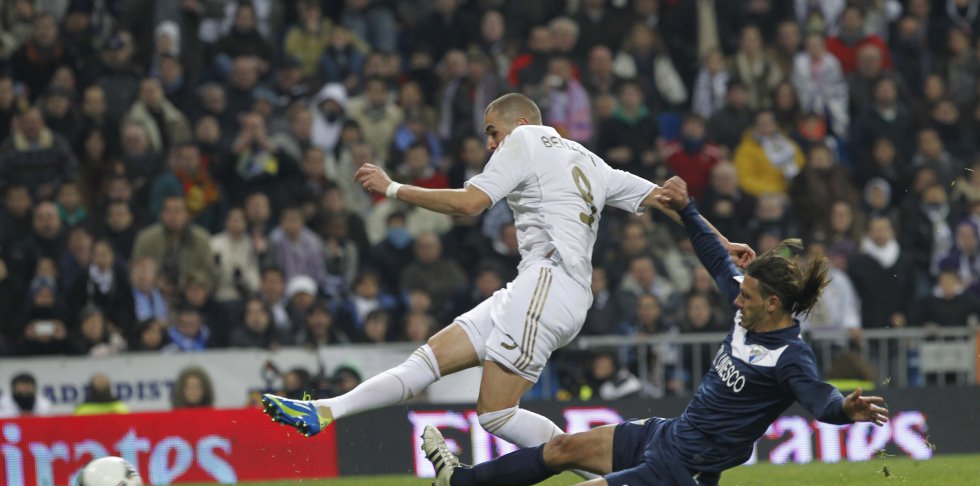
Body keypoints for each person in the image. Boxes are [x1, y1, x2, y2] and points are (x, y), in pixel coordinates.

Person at [262, 93, 751, 453]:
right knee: (427, 360)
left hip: (549, 283)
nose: (492, 145)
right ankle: (327, 410)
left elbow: (471, 203)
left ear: (519, 123)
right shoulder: (590, 160)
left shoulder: (524, 141)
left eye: (492, 133)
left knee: (495, 413)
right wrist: (722, 241)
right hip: (535, 287)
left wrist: (393, 189)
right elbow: (668, 200)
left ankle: (617, 474)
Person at [419, 176, 888, 486]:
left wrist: (844, 409)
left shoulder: (790, 357)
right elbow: (712, 257)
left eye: (745, 297)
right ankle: (455, 483)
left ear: (772, 305)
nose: (735, 300)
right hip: (665, 436)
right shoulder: (748, 311)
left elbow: (820, 398)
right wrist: (687, 210)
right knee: (560, 447)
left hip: (684, 478)